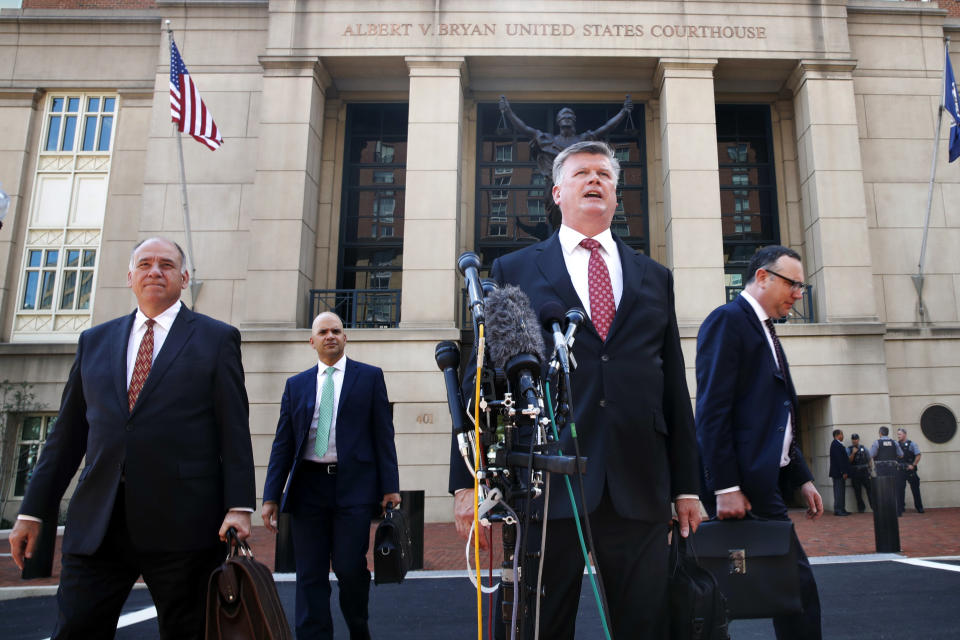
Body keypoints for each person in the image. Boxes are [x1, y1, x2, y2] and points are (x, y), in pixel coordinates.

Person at [449, 140, 701, 639]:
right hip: (547, 483)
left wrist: (687, 484)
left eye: (604, 175)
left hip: (638, 481)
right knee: (541, 627)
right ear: (557, 190)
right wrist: (467, 483)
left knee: (646, 625)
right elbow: (482, 381)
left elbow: (672, 380)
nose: (594, 181)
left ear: (616, 193)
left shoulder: (655, 276)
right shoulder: (514, 271)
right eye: (582, 172)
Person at [8, 237, 256, 639]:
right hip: (99, 524)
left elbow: (234, 430)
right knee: (76, 628)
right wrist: (33, 511)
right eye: (144, 264)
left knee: (188, 632)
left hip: (184, 524)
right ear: (129, 276)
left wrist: (240, 505)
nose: (154, 271)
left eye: (166, 265)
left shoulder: (216, 339)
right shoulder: (95, 341)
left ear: (184, 277)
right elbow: (66, 437)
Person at [695, 244, 824, 640]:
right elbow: (712, 412)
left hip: (764, 485)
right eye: (793, 284)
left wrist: (800, 475)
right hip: (743, 490)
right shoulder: (728, 321)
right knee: (774, 590)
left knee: (774, 590)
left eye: (803, 286)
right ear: (763, 277)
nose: (799, 294)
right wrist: (726, 487)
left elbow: (774, 415)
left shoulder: (766, 328)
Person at [262, 311, 400, 640]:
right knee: (309, 573)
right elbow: (283, 443)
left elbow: (384, 435)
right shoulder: (295, 386)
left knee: (350, 568)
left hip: (353, 487)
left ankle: (358, 627)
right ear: (312, 341)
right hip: (309, 486)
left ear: (345, 337)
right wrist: (270, 495)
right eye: (323, 331)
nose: (330, 336)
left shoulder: (369, 377)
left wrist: (390, 487)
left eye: (336, 330)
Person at [499, 95, 634, 231]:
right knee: (558, 220)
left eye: (569, 116)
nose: (567, 117)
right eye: (564, 115)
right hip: (556, 185)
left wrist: (624, 112)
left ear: (574, 121)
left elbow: (606, 128)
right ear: (558, 121)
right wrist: (508, 111)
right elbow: (524, 128)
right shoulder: (548, 140)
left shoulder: (583, 140)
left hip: (579, 186)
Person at [896, 427, 924, 515]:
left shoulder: (912, 444)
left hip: (910, 471)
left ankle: (919, 507)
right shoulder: (897, 445)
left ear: (905, 434)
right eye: (898, 434)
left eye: (900, 434)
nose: (898, 436)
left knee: (915, 489)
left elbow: (918, 455)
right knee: (900, 490)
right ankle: (900, 508)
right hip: (901, 471)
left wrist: (913, 465)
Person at [847, 433, 874, 512]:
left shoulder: (863, 448)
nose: (854, 441)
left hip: (864, 472)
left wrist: (870, 471)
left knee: (870, 490)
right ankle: (861, 508)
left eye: (856, 439)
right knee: (857, 492)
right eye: (853, 439)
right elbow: (849, 461)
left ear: (858, 440)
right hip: (855, 473)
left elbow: (869, 459)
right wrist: (853, 453)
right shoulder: (849, 449)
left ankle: (873, 506)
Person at [829, 429, 851, 516]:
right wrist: (843, 472)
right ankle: (839, 509)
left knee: (841, 491)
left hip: (838, 473)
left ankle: (841, 508)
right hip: (838, 473)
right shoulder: (836, 445)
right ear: (838, 435)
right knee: (839, 491)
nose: (843, 436)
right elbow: (839, 460)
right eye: (842, 434)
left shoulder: (837, 444)